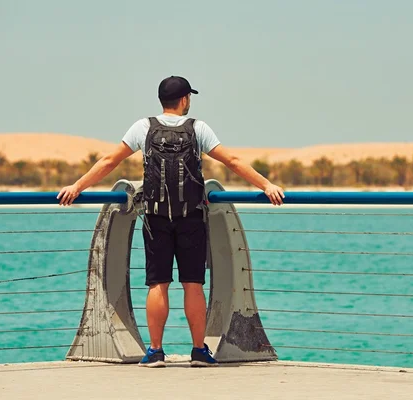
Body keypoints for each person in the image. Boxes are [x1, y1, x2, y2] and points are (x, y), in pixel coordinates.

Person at [57, 76, 285, 368]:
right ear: (185, 99)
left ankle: (155, 351)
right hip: (191, 218)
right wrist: (267, 185)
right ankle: (199, 351)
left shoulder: (143, 127)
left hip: (155, 217)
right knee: (193, 285)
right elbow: (234, 161)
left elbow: (108, 162)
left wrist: (76, 187)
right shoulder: (198, 128)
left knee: (158, 285)